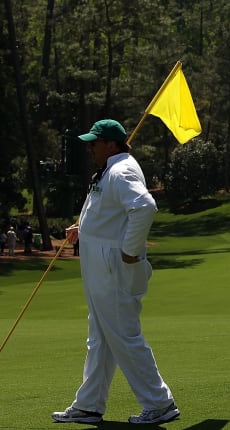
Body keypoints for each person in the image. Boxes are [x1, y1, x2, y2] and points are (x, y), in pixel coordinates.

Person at [52, 119, 179, 426]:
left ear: (110, 144)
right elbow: (111, 212)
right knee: (101, 338)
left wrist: (130, 250)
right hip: (101, 267)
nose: (89, 148)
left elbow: (144, 206)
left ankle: (159, 403)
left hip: (113, 267)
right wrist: (83, 227)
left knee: (123, 334)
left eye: (94, 143)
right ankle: (89, 405)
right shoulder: (112, 168)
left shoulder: (120, 170)